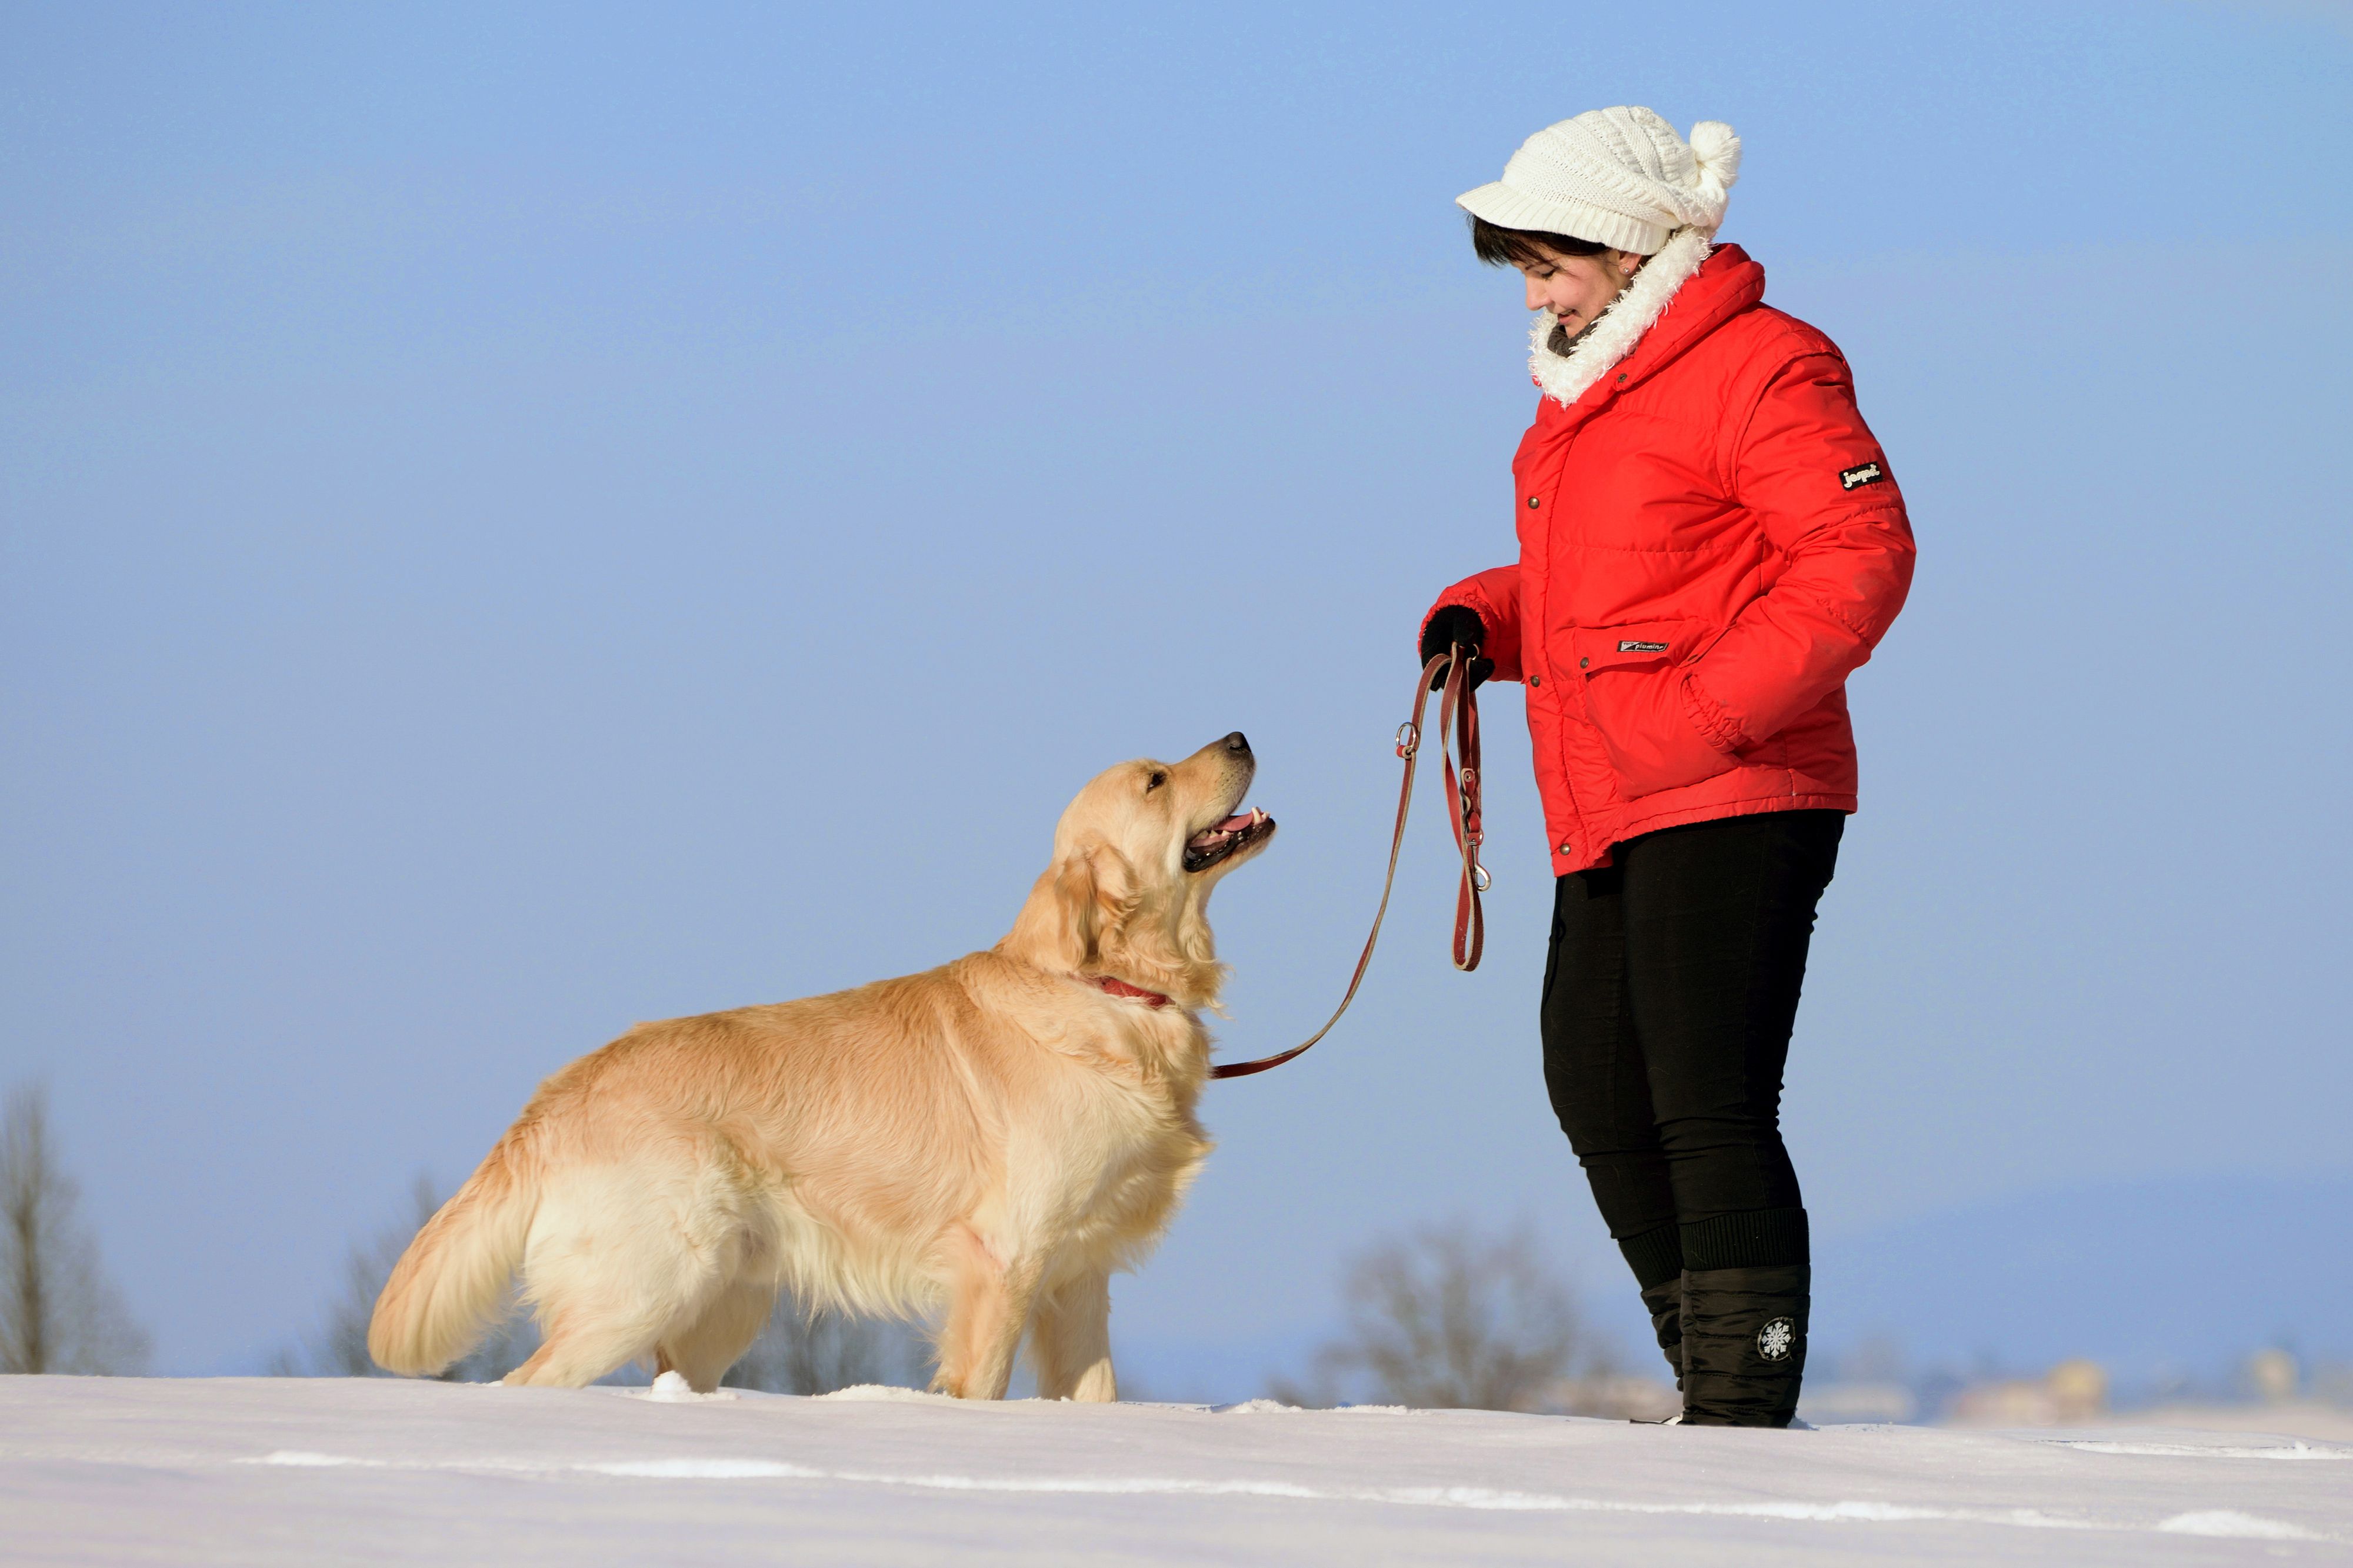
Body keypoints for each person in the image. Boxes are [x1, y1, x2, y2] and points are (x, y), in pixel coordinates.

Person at [1420, 108, 1914, 1427]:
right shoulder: (1587, 392)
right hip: (1604, 793)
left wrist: (1700, 715)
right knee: (1594, 1087)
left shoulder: (1763, 364)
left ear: (1631, 247)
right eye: (1517, 266)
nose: (1526, 291)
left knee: (1704, 1096)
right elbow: (1605, 589)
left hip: (1738, 783)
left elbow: (1857, 557)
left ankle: (1742, 1415)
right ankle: (1709, 1375)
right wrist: (1491, 617)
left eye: (1545, 261)